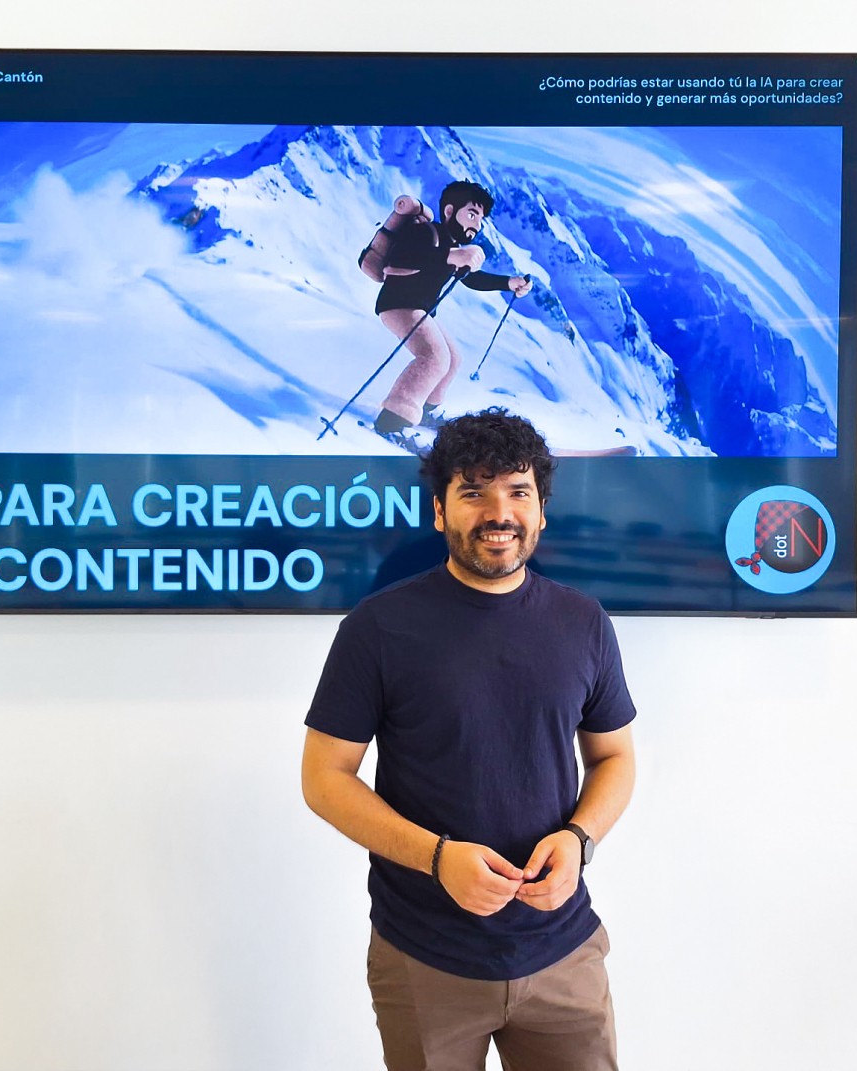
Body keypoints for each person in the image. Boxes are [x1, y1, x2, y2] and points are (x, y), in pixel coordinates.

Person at [302, 408, 636, 1071]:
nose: (498, 512)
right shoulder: (378, 627)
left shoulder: (584, 622)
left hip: (562, 951)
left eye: (517, 491)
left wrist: (580, 839)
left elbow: (614, 756)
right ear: (439, 511)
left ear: (541, 511)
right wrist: (436, 858)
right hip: (424, 956)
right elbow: (324, 777)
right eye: (474, 491)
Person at [372, 181, 532, 440]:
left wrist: (508, 283)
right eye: (472, 215)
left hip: (420, 309)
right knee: (434, 357)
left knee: (452, 359)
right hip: (398, 304)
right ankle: (392, 420)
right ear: (449, 211)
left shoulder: (451, 245)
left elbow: (471, 278)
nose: (476, 225)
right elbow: (405, 257)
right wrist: (450, 256)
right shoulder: (425, 233)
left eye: (480, 220)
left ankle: (424, 410)